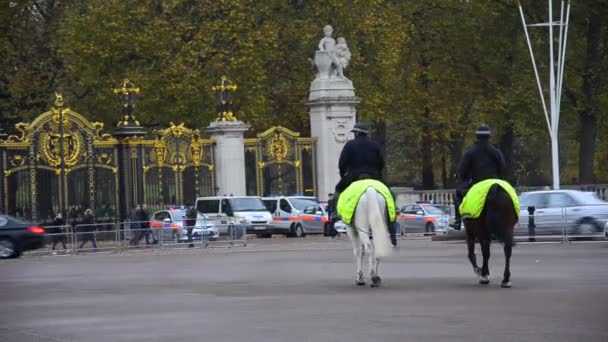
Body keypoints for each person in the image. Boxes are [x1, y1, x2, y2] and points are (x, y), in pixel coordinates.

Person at [452, 124, 506, 230]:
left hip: (477, 185)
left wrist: (463, 179)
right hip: (494, 185)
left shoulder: (470, 152)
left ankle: (458, 221)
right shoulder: (496, 151)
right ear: (489, 136)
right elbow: (502, 168)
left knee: (458, 196)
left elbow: (463, 171)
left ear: (477, 136)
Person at [333, 123, 385, 221]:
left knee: (337, 191)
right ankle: (393, 217)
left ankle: (336, 214)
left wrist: (343, 174)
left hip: (354, 176)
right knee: (389, 193)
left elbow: (342, 163)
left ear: (356, 133)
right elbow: (381, 163)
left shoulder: (350, 144)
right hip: (374, 177)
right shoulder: (375, 145)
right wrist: (378, 174)